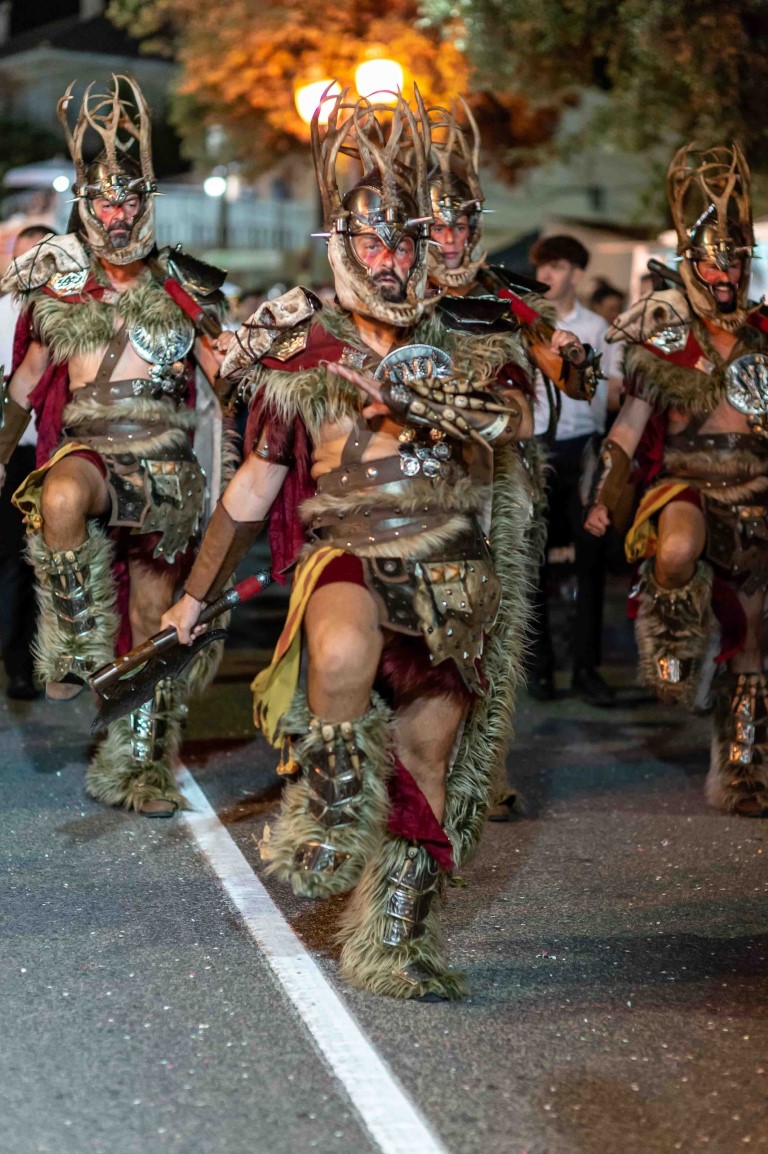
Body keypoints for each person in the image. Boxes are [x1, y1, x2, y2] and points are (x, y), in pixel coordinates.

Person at [162, 90, 596, 1000]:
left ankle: (394, 937)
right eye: (372, 245)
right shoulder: (304, 348)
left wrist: (441, 400)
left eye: (403, 244)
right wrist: (194, 598)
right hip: (350, 549)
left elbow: (523, 414)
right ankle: (328, 802)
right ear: (342, 248)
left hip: (452, 567)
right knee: (341, 650)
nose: (390, 263)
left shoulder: (473, 334)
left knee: (429, 756)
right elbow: (253, 489)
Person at [0, 74, 228, 815]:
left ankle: (138, 767)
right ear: (86, 206)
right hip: (91, 446)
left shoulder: (186, 287)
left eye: (128, 201)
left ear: (145, 205)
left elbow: (230, 380)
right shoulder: (60, 287)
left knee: (155, 625)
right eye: (103, 201)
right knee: (61, 495)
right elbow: (24, 386)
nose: (117, 213)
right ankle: (73, 647)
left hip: (164, 465)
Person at [585, 143, 768, 817]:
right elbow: (629, 428)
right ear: (693, 266)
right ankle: (669, 637)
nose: (724, 273)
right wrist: (606, 496)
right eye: (713, 262)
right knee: (678, 549)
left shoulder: (765, 335)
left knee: (752, 639)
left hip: (755, 490)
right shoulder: (666, 339)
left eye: (734, 261)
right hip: (685, 484)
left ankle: (742, 771)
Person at [526, 233, 624, 705]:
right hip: (535, 450)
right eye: (542, 265)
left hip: (583, 451)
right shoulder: (527, 326)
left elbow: (612, 394)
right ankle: (540, 667)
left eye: (558, 266)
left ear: (578, 274)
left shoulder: (598, 327)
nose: (546, 274)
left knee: (590, 561)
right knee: (533, 563)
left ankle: (586, 668)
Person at [0, 225, 54, 699]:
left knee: (54, 559)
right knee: (15, 560)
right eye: (23, 259)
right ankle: (19, 661)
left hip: (60, 451)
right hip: (13, 454)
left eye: (41, 259)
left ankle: (47, 660)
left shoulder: (71, 314)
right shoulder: (2, 315)